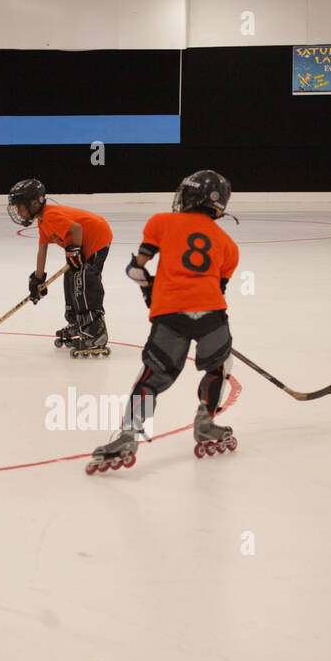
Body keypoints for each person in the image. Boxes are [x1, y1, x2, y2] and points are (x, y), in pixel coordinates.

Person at [88, 170, 240, 474]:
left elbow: (136, 271)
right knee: (221, 366)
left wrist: (148, 288)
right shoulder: (228, 245)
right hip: (212, 315)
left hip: (170, 314)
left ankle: (129, 434)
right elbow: (214, 288)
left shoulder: (161, 222)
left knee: (152, 378)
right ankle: (206, 421)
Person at [6, 179, 112, 356]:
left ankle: (96, 331)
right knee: (71, 278)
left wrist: (75, 250)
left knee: (84, 280)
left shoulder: (50, 215)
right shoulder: (42, 221)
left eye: (20, 206)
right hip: (81, 244)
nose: (18, 211)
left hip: (96, 240)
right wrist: (38, 280)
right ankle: (77, 322)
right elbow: (42, 250)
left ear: (34, 203)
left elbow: (77, 229)